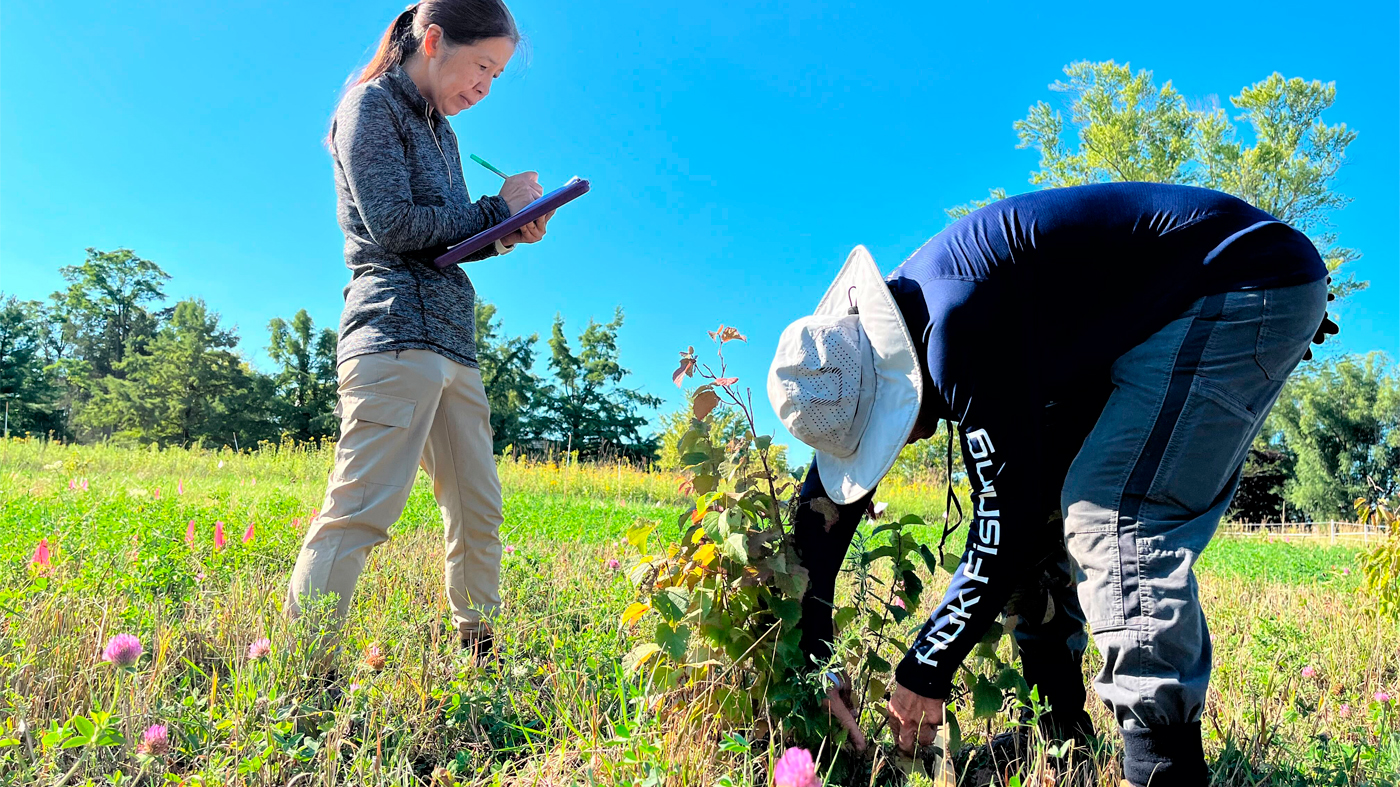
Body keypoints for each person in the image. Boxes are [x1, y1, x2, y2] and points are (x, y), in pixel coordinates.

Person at [767, 182, 1336, 785]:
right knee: (1044, 522)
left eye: (886, 429)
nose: (898, 443)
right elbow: (818, 528)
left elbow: (1000, 525)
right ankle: (1065, 743)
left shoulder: (957, 328)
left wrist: (925, 669)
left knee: (1111, 514)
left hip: (1239, 282)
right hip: (1162, 311)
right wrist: (817, 672)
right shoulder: (865, 347)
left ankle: (1162, 771)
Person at [286, 0, 550, 660]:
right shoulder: (369, 106)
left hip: (453, 344)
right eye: (481, 66)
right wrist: (495, 207)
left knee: (478, 510)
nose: (485, 87)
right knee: (360, 511)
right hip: (393, 335)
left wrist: (509, 230)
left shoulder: (445, 134)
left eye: (497, 77)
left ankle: (479, 656)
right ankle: (300, 675)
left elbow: (447, 241)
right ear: (432, 40)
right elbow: (397, 227)